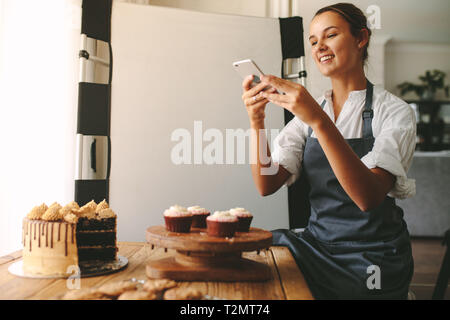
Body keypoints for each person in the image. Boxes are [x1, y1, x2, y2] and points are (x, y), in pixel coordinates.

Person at [241, 3, 415, 299]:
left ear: (361, 38)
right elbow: (266, 184)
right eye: (312, 41)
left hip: (372, 257)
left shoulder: (395, 112)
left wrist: (319, 122)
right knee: (248, 258)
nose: (319, 46)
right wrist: (256, 120)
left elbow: (368, 197)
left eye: (330, 35)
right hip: (316, 245)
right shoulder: (310, 112)